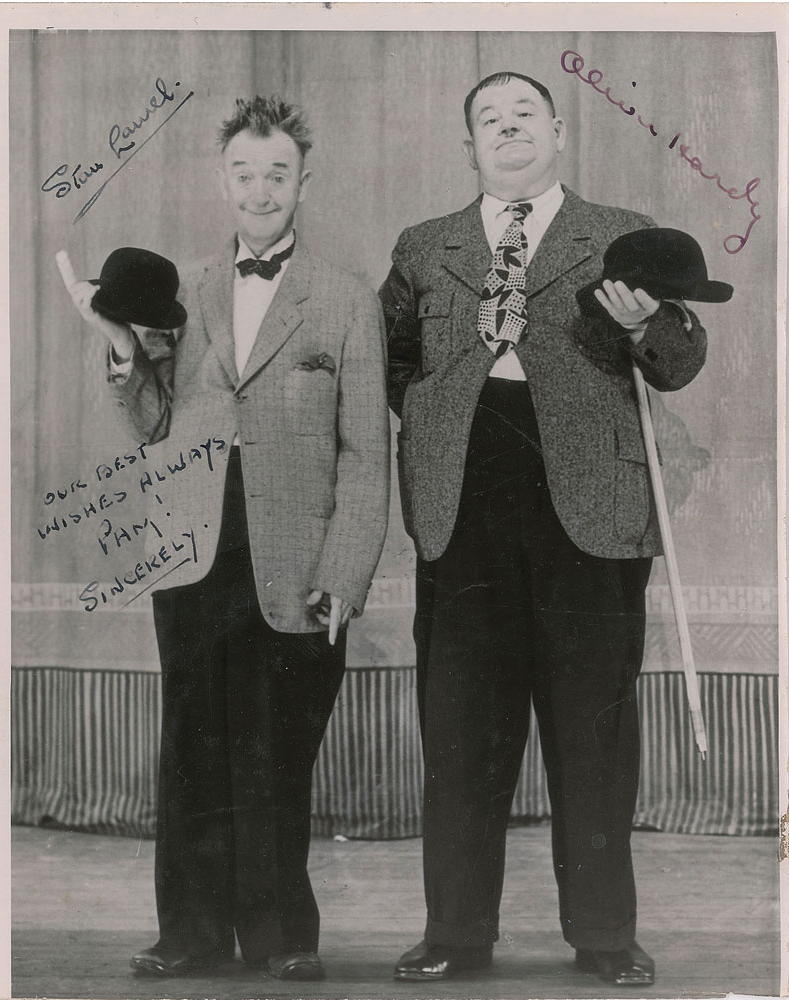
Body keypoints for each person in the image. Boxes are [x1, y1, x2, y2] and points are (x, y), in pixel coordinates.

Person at [379, 71, 707, 986]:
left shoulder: (619, 233)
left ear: (559, 132)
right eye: (489, 118)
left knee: (592, 729)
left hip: (592, 510)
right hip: (463, 503)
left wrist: (647, 328)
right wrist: (434, 427)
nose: (508, 126)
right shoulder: (424, 246)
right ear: (469, 147)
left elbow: (681, 359)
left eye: (525, 113)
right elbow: (389, 362)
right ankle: (456, 932)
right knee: (460, 728)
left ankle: (604, 935)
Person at [58, 94, 389, 982]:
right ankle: (190, 936)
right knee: (193, 749)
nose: (260, 189)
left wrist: (345, 573)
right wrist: (121, 348)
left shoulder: (348, 300)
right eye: (244, 173)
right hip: (192, 549)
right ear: (222, 181)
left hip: (298, 561)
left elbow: (367, 454)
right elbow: (153, 424)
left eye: (277, 174)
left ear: (303, 184)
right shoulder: (189, 292)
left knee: (277, 753)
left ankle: (283, 937)